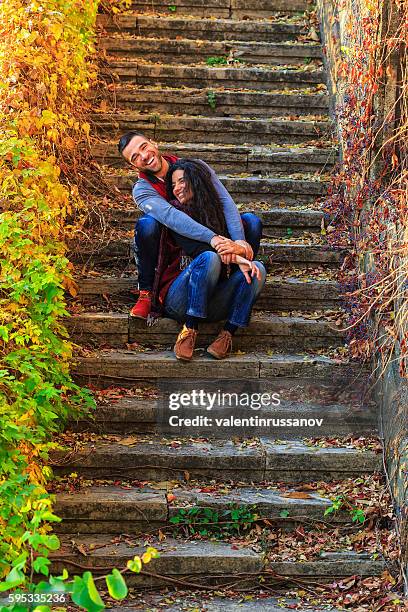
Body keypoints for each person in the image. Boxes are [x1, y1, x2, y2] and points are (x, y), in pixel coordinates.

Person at [117, 132, 266, 359]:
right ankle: (151, 296)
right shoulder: (144, 190)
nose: (144, 156)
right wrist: (218, 242)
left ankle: (228, 330)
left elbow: (225, 202)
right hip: (181, 282)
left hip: (217, 278)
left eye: (144, 147)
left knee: (256, 254)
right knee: (154, 228)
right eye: (135, 157)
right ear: (132, 165)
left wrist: (239, 244)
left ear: (153, 142)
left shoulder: (194, 167)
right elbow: (172, 217)